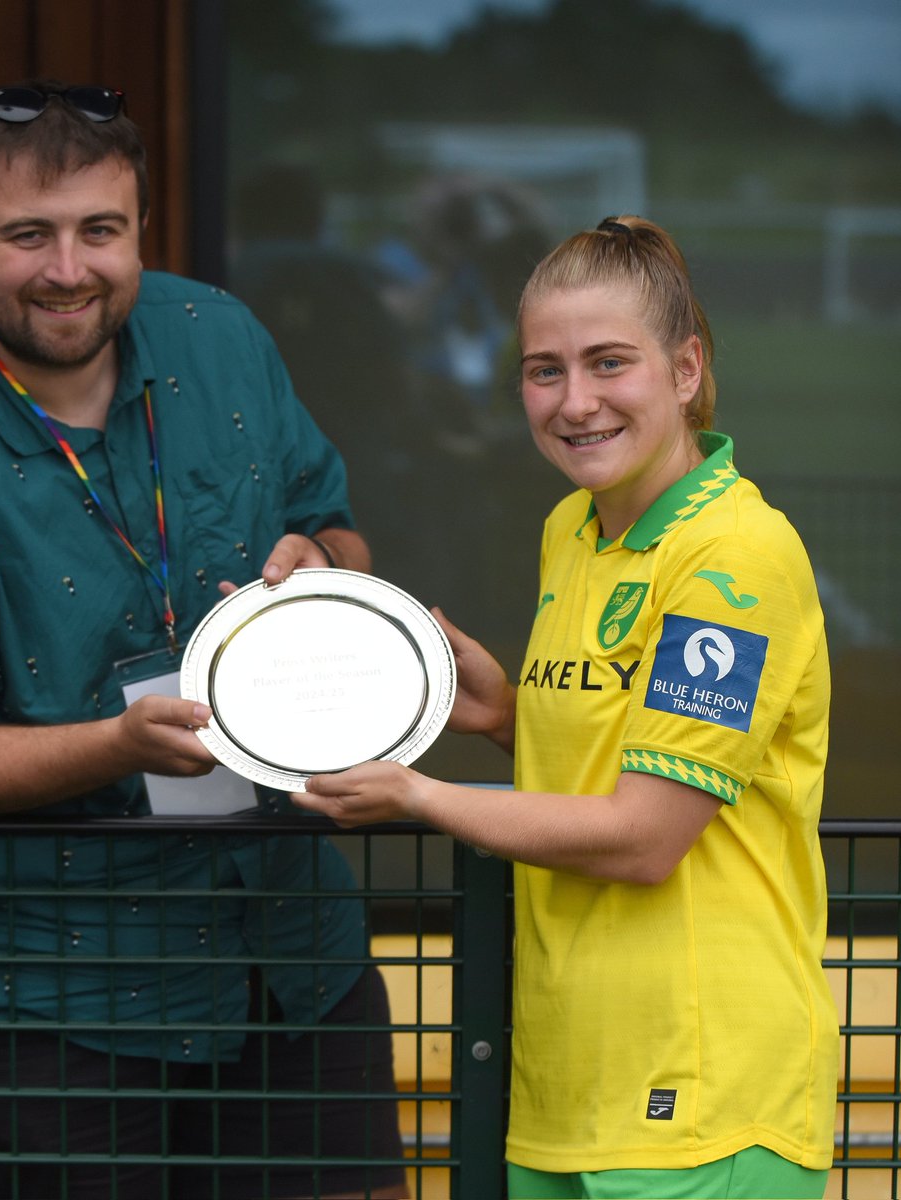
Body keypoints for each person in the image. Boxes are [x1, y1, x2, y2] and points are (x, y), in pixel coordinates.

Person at [0, 80, 407, 1200]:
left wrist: (324, 571)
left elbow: (332, 524)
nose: (68, 269)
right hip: (42, 989)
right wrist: (119, 745)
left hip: (285, 941)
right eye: (26, 235)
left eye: (99, 230)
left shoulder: (218, 339)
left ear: (140, 229)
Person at [296, 216, 838, 1198]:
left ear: (683, 369)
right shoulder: (570, 528)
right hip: (566, 1092)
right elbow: (622, 752)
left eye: (607, 364)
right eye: (543, 371)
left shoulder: (732, 555)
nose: (573, 402)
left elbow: (643, 836)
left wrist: (418, 797)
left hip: (702, 1097)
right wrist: (510, 717)